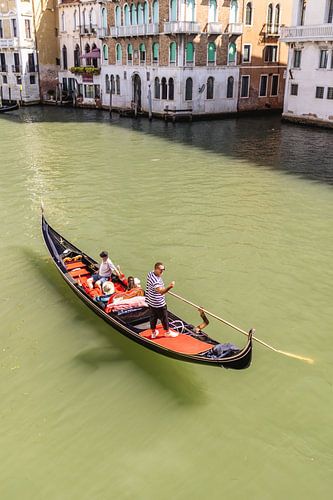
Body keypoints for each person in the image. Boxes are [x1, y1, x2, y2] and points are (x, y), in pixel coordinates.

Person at [146, 262, 178, 339]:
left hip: (151, 302)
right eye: (160, 270)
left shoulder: (150, 273)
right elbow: (161, 292)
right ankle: (167, 332)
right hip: (159, 303)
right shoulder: (155, 280)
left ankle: (153, 333)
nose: (162, 272)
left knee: (153, 318)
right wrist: (170, 286)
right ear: (156, 269)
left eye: (163, 270)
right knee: (164, 318)